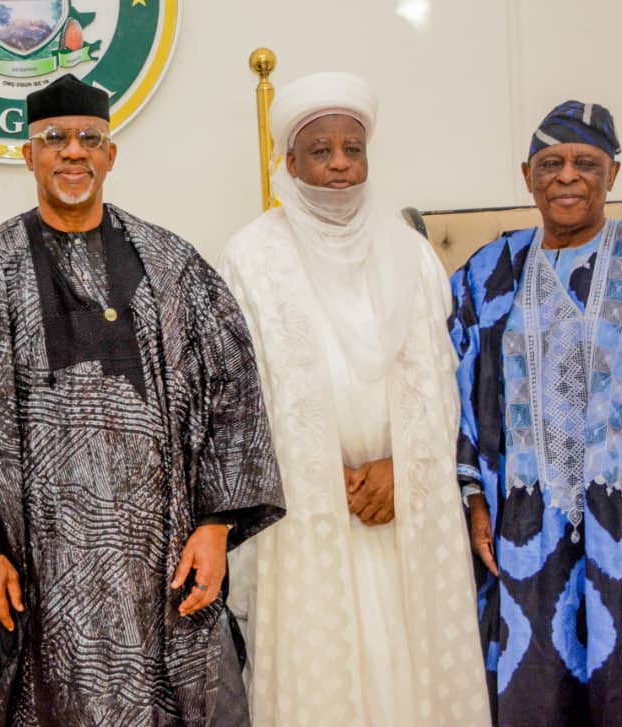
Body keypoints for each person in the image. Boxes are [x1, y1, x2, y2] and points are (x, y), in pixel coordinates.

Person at [0, 73, 285, 726]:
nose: (73, 151)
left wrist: (215, 528)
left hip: (165, 573)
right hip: (37, 579)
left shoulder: (174, 265)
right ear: (29, 154)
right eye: (55, 138)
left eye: (89, 138)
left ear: (110, 154)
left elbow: (233, 396)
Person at [221, 71, 490, 726]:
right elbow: (237, 401)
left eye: (353, 148)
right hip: (306, 517)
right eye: (321, 150)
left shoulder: (411, 253)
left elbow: (441, 386)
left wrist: (405, 466)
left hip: (405, 508)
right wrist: (318, 474)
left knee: (413, 673)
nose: (340, 163)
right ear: (289, 161)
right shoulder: (252, 257)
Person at [450, 100, 622, 726]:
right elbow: (456, 389)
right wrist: (474, 499)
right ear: (527, 175)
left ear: (613, 175)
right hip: (522, 534)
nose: (567, 177)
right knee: (532, 691)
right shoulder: (487, 273)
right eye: (551, 163)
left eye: (585, 163)